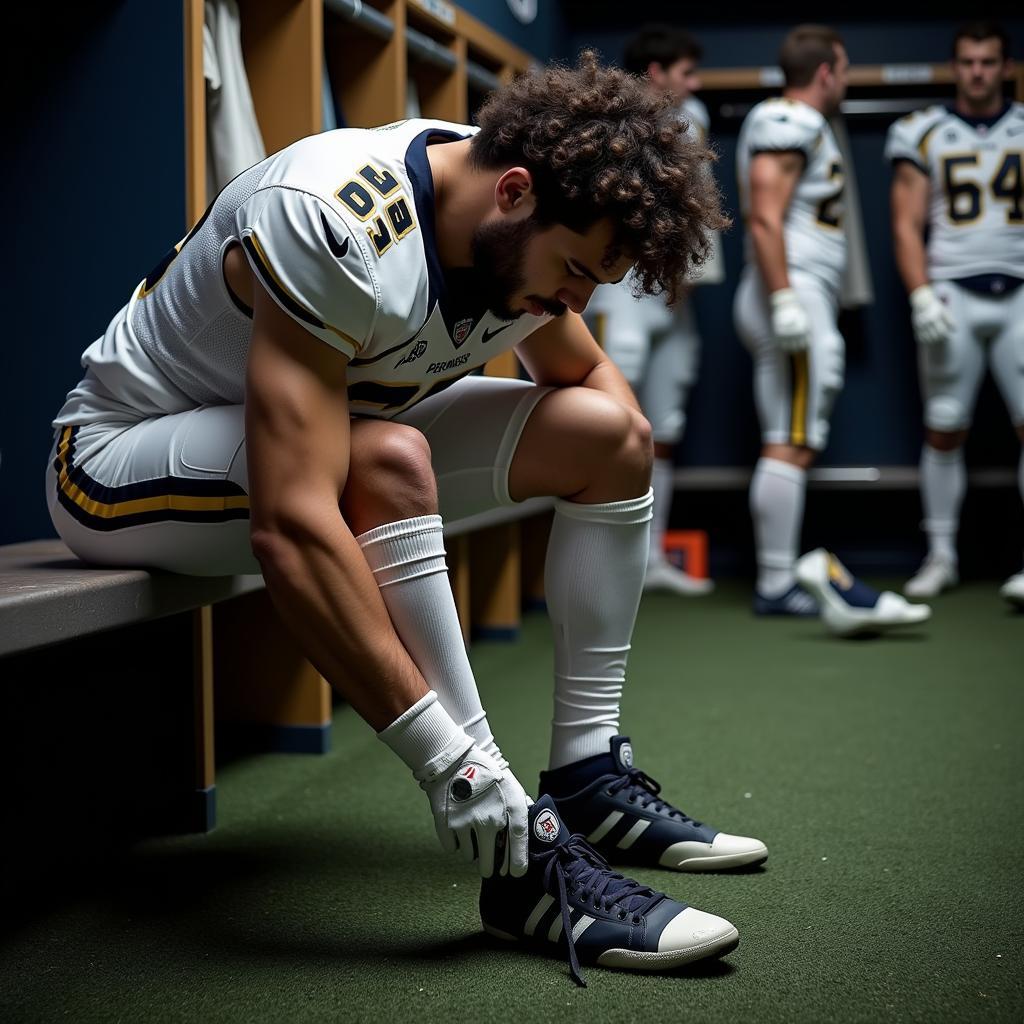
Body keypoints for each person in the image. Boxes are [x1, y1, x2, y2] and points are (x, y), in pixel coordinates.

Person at [47, 53, 766, 984]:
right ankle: (521, 853)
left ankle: (586, 777)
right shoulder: (336, 218)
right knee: (386, 456)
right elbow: (294, 522)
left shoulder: (523, 221)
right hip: (114, 463)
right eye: (576, 272)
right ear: (512, 193)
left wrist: (594, 394)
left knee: (613, 435)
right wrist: (448, 766)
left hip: (324, 442)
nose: (573, 304)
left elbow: (590, 384)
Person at [733, 24, 931, 637]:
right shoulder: (789, 120)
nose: (845, 83)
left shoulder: (799, 123)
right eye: (843, 71)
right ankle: (774, 584)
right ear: (826, 73)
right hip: (787, 291)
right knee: (788, 437)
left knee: (794, 434)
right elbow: (764, 216)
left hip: (796, 290)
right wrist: (786, 298)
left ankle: (777, 577)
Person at [886, 22, 1024, 609]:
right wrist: (919, 292)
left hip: (1020, 289)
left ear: (1004, 66)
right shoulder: (923, 131)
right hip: (952, 292)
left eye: (987, 62)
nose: (977, 72)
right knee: (944, 428)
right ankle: (941, 555)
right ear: (954, 66)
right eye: (967, 62)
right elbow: (905, 223)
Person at [585, 23, 722, 596]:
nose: (694, 83)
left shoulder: (697, 120)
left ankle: (648, 561)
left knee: (664, 425)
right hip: (626, 290)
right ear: (656, 73)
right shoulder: (613, 122)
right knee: (614, 419)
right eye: (685, 72)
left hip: (676, 295)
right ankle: (599, 566)